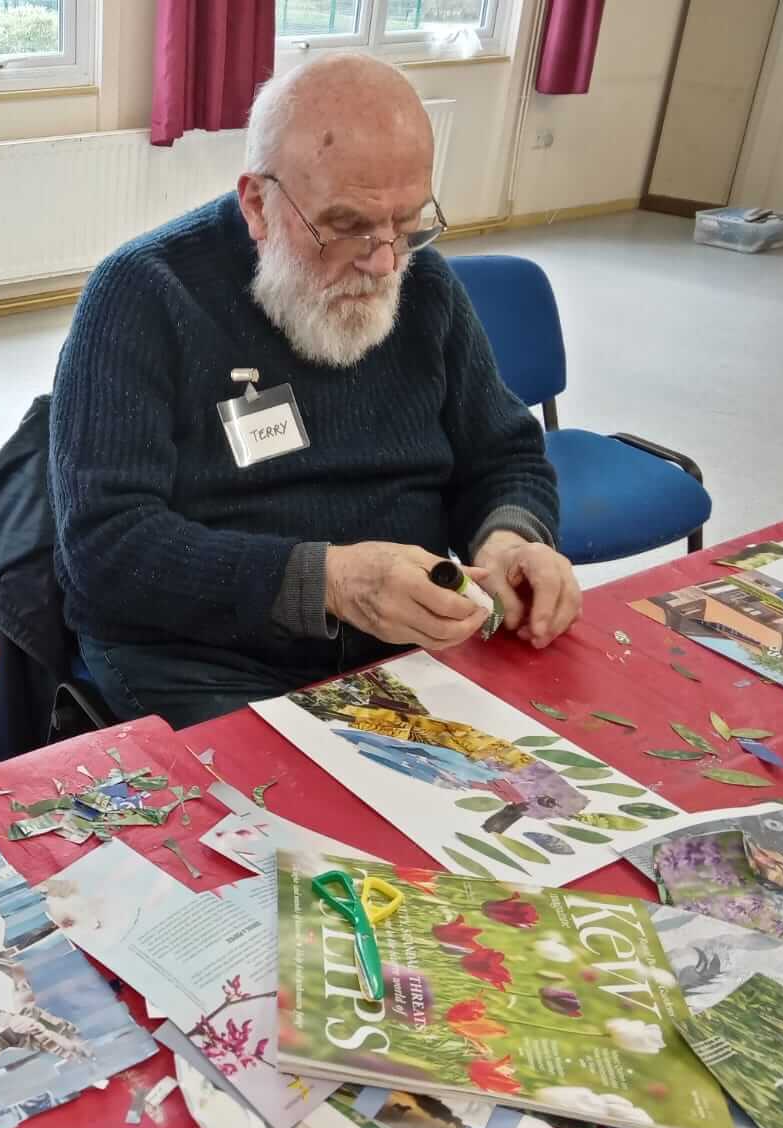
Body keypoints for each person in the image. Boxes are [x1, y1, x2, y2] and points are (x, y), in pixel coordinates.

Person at [50, 54, 580, 728]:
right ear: (257, 204)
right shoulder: (143, 297)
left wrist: (509, 540)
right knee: (307, 830)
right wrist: (329, 582)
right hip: (201, 658)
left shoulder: (424, 285)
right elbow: (107, 548)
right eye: (348, 225)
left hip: (397, 642)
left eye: (408, 221)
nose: (384, 260)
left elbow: (503, 454)